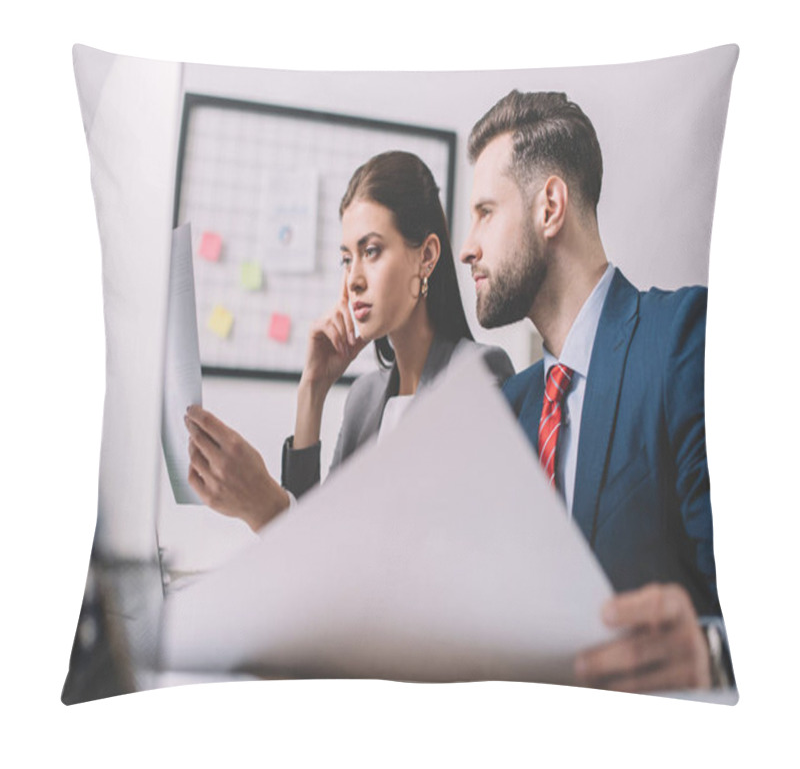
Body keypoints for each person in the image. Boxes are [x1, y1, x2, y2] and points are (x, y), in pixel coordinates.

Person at [460, 91, 733, 693]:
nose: (466, 247)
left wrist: (711, 653)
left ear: (549, 206)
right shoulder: (511, 406)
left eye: (484, 211)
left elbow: (759, 602)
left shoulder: (684, 340)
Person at [185, 151, 514, 532]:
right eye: (347, 258)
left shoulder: (478, 375)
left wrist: (266, 508)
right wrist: (312, 392)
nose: (353, 279)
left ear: (426, 256)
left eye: (371, 251)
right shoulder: (365, 396)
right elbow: (315, 547)